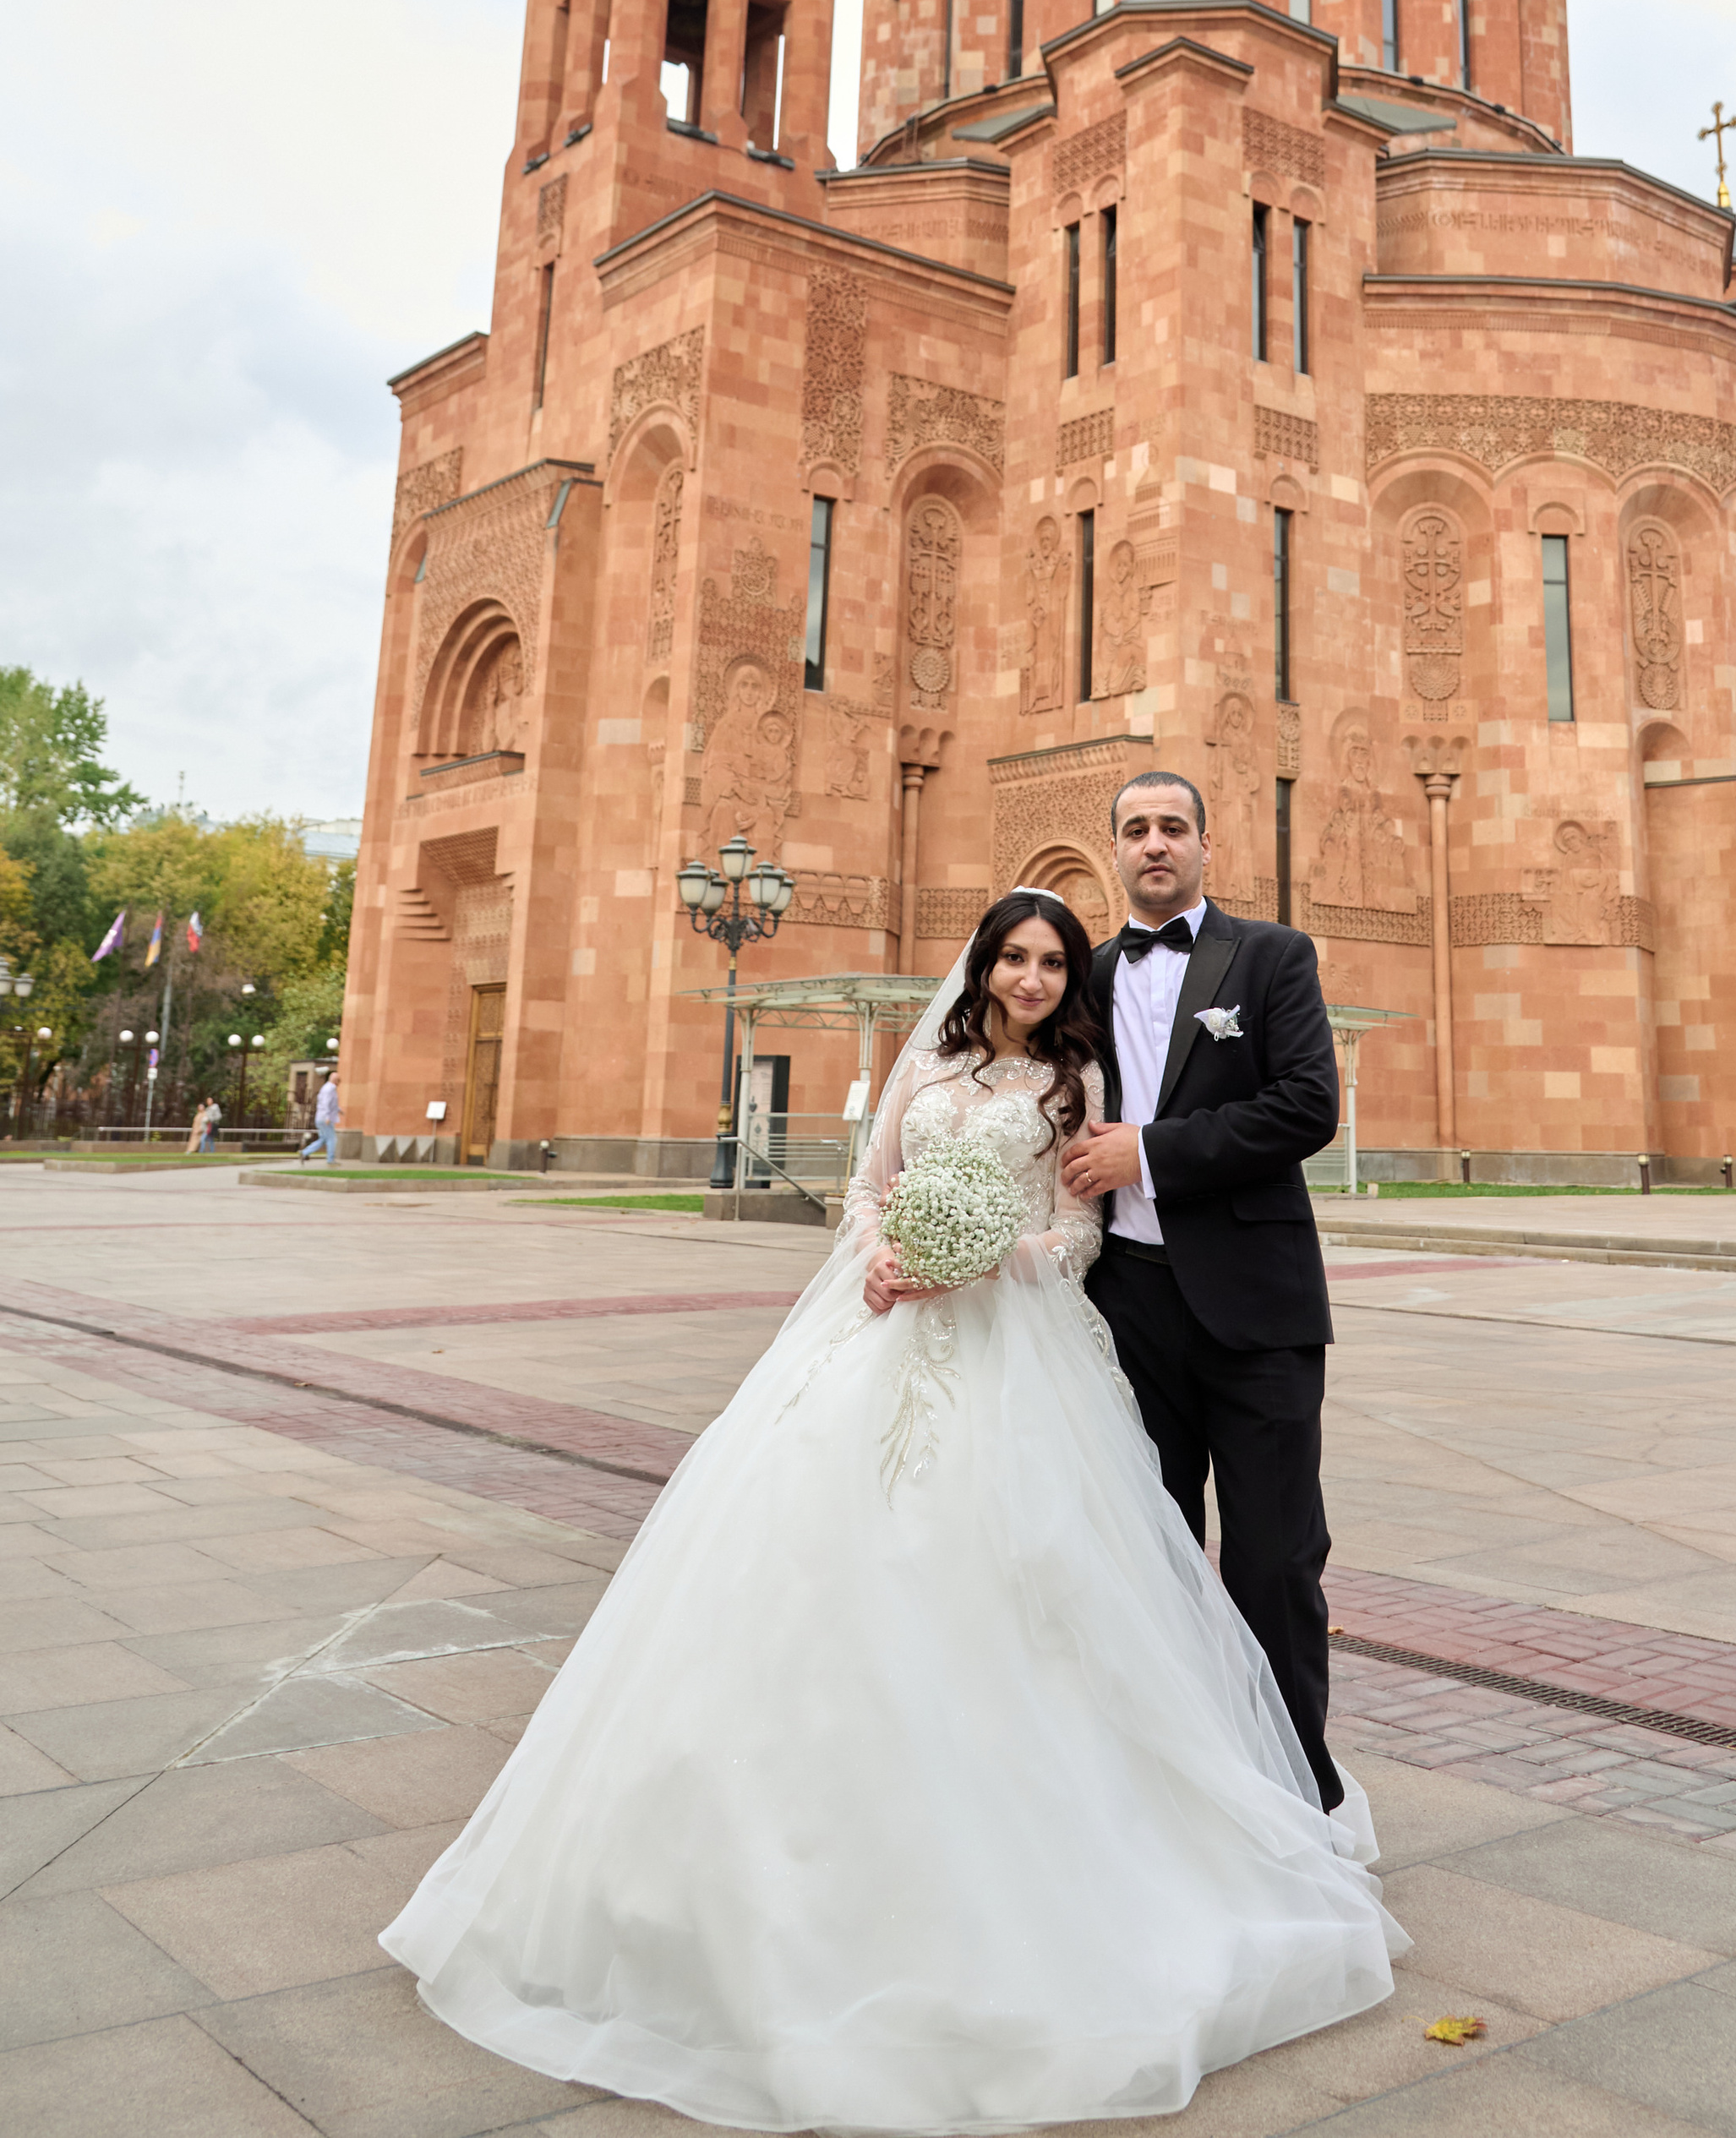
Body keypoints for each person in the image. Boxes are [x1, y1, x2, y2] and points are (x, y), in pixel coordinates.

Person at [380, 888, 1400, 2130]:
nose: (1030, 977)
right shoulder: (929, 1061)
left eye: (1048, 962)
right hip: (881, 1328)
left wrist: (992, 1256)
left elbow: (1078, 1229)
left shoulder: (1076, 1081)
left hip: (1014, 1351)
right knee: (809, 1567)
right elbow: (868, 1187)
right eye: (1012, 957)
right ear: (981, 965)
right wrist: (880, 1249)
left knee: (1032, 1580)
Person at [1062, 773, 1345, 1808]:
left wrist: (1153, 1151)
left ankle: (1298, 1800)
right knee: (1153, 1559)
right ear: (1114, 852)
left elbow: (1307, 1106)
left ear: (1205, 846)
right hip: (1125, 1307)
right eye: (1134, 830)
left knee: (1273, 1563)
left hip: (1256, 1310)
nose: (1153, 845)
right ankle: (1183, 1800)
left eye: (1171, 827)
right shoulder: (1081, 976)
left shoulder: (1269, 956)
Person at [301, 1068, 337, 1161]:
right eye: (338, 1080)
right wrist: (328, 1117)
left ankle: (305, 1152)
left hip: (321, 1117)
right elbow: (326, 1104)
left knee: (324, 1138)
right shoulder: (330, 1089)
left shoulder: (326, 1088)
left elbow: (329, 1104)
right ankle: (331, 1160)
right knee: (331, 1139)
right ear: (335, 1080)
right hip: (325, 1118)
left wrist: (338, 1110)